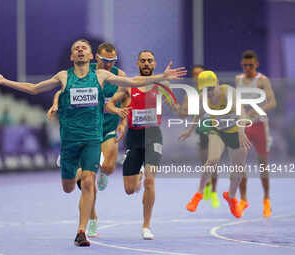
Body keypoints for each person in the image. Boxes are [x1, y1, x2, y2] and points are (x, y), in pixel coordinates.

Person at [0, 39, 187, 247]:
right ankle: (72, 171)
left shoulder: (102, 75)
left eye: (84, 48)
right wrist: (5, 82)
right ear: (72, 57)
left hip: (93, 137)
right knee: (69, 187)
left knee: (90, 181)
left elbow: (133, 83)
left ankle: (82, 231)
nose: (80, 50)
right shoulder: (64, 76)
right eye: (76, 48)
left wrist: (162, 77)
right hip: (70, 140)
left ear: (91, 57)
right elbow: (35, 88)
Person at [47, 42, 127, 238]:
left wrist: (122, 122)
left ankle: (103, 173)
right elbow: (62, 89)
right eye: (105, 60)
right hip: (87, 129)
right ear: (96, 58)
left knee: (108, 167)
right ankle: (92, 219)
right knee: (86, 180)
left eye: (112, 60)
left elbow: (128, 94)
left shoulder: (119, 75)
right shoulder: (84, 70)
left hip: (108, 126)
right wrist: (56, 103)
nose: (108, 64)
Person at [106, 50, 182, 240]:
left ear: (154, 64)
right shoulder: (129, 85)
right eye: (143, 61)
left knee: (150, 181)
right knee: (130, 189)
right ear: (138, 64)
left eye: (149, 61)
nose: (146, 64)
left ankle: (146, 226)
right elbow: (109, 105)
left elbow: (177, 109)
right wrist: (118, 110)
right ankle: (137, 174)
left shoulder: (161, 84)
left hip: (153, 135)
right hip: (134, 137)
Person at [180, 71, 251, 218]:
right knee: (212, 160)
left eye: (211, 88)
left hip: (236, 130)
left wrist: (241, 132)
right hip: (218, 131)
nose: (208, 93)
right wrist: (190, 130)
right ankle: (199, 194)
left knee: (237, 170)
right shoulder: (203, 98)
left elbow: (242, 113)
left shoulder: (228, 93)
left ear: (217, 83)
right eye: (205, 90)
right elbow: (198, 114)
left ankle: (231, 197)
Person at [235, 50, 277, 218]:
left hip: (259, 126)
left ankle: (266, 200)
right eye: (245, 65)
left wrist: (256, 109)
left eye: (251, 65)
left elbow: (273, 102)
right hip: (244, 126)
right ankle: (243, 199)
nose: (247, 68)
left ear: (256, 65)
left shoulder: (262, 80)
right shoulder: (238, 79)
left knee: (262, 164)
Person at [180, 65, 220, 208]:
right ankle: (207, 185)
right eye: (195, 74)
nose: (197, 77)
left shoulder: (215, 89)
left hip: (216, 128)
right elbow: (184, 113)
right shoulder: (191, 93)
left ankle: (214, 192)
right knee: (204, 160)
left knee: (213, 161)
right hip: (202, 127)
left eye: (200, 74)